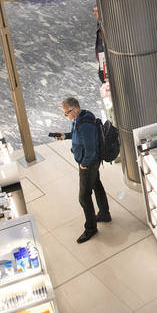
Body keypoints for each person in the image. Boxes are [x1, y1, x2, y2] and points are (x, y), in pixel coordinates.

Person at [48, 96, 111, 243]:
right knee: (96, 184)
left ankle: (91, 228)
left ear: (75, 109)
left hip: (88, 163)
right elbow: (79, 136)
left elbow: (90, 148)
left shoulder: (84, 124)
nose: (66, 116)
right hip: (90, 162)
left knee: (83, 196)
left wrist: (84, 164)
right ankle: (104, 213)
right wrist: (66, 136)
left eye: (67, 112)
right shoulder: (79, 119)